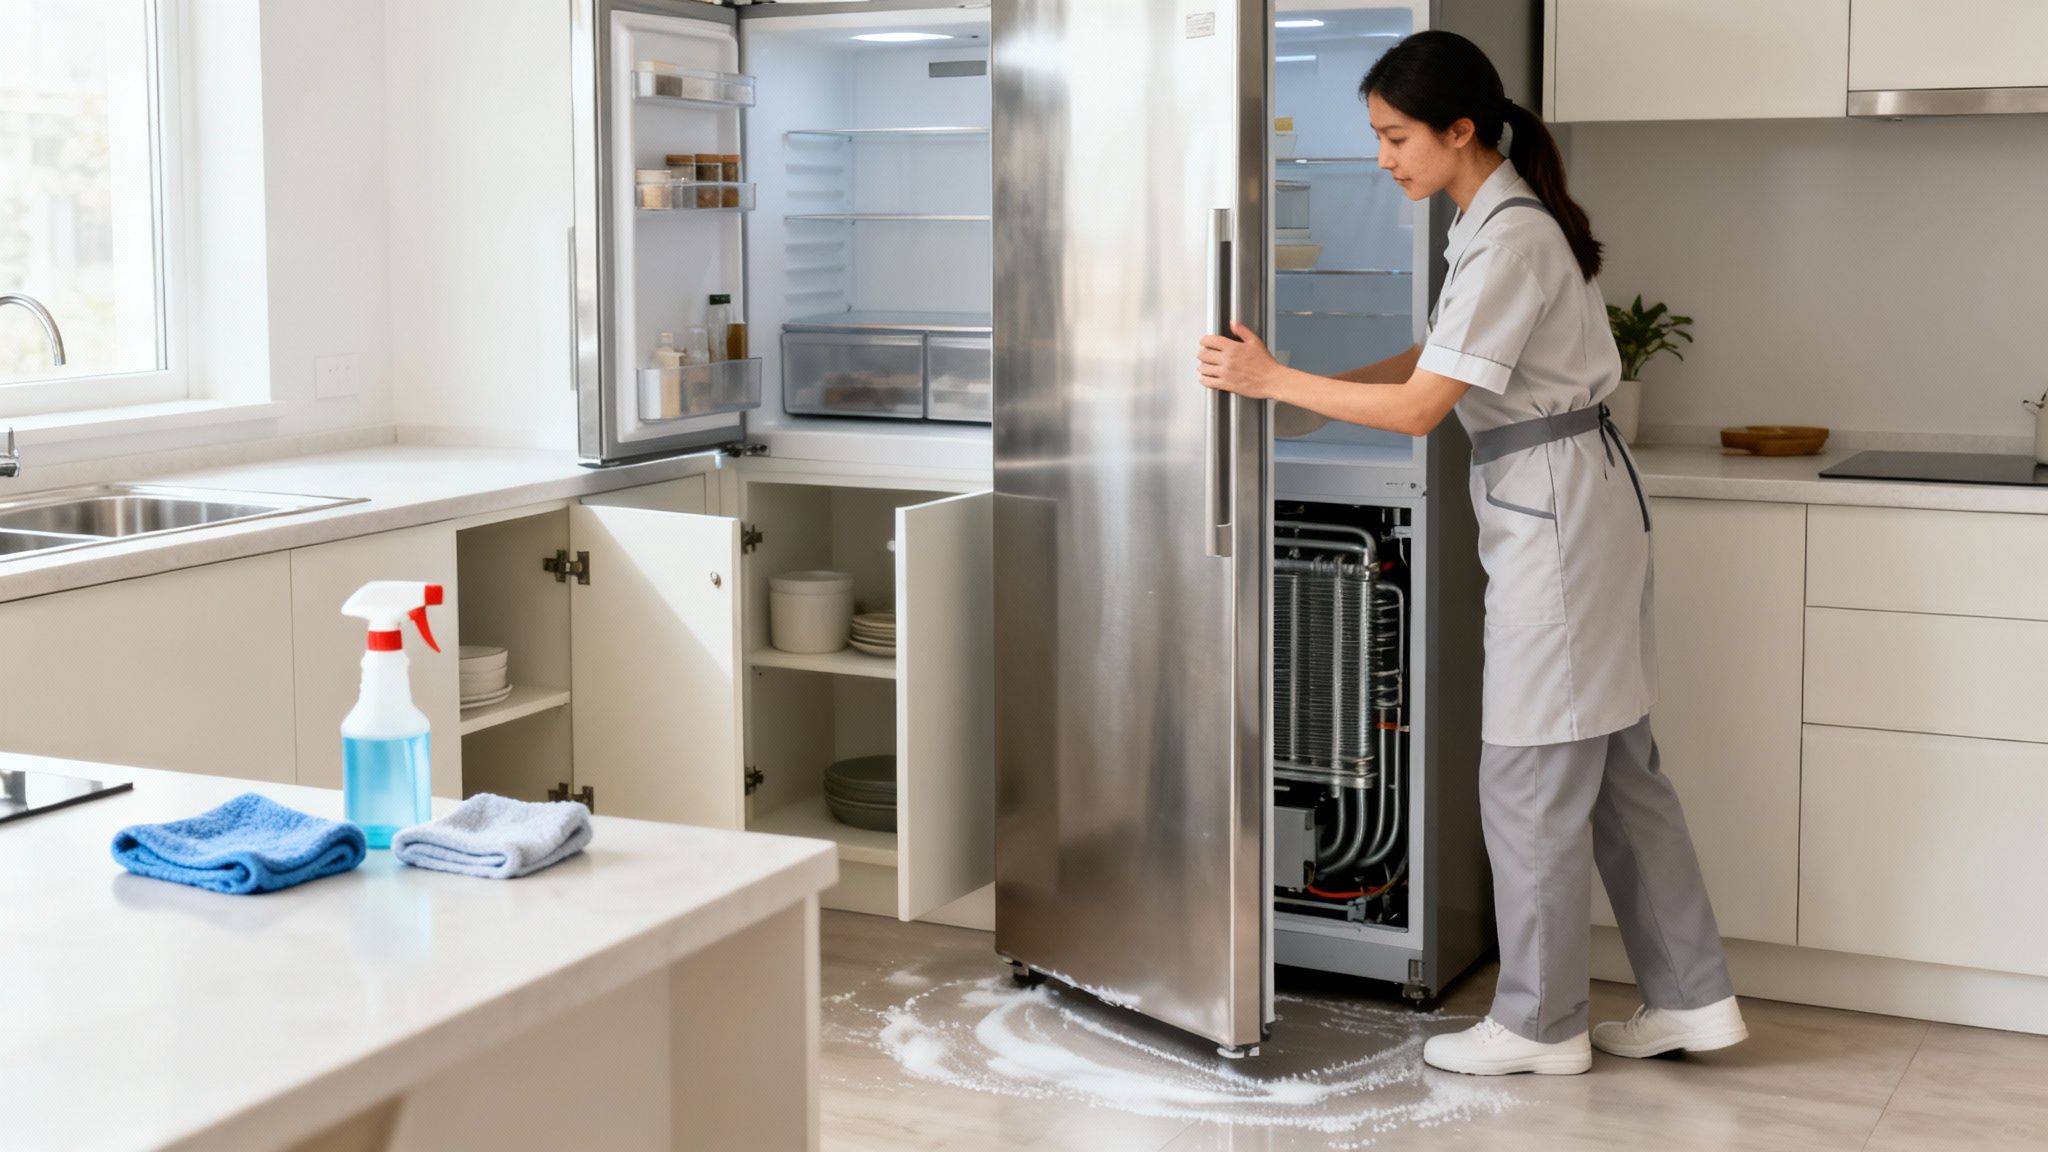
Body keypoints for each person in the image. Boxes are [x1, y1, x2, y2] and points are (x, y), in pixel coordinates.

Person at [1197, 30, 1746, 1077]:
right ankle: (1692, 998)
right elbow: (1438, 356)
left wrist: (1272, 383)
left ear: (1459, 130)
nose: (1382, 158)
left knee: (1528, 772)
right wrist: (1318, 398)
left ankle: (1538, 1027)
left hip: (1556, 522)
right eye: (1375, 137)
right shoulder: (1489, 222)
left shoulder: (1506, 238)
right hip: (1577, 502)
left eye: (1396, 137)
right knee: (1621, 768)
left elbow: (1418, 409)